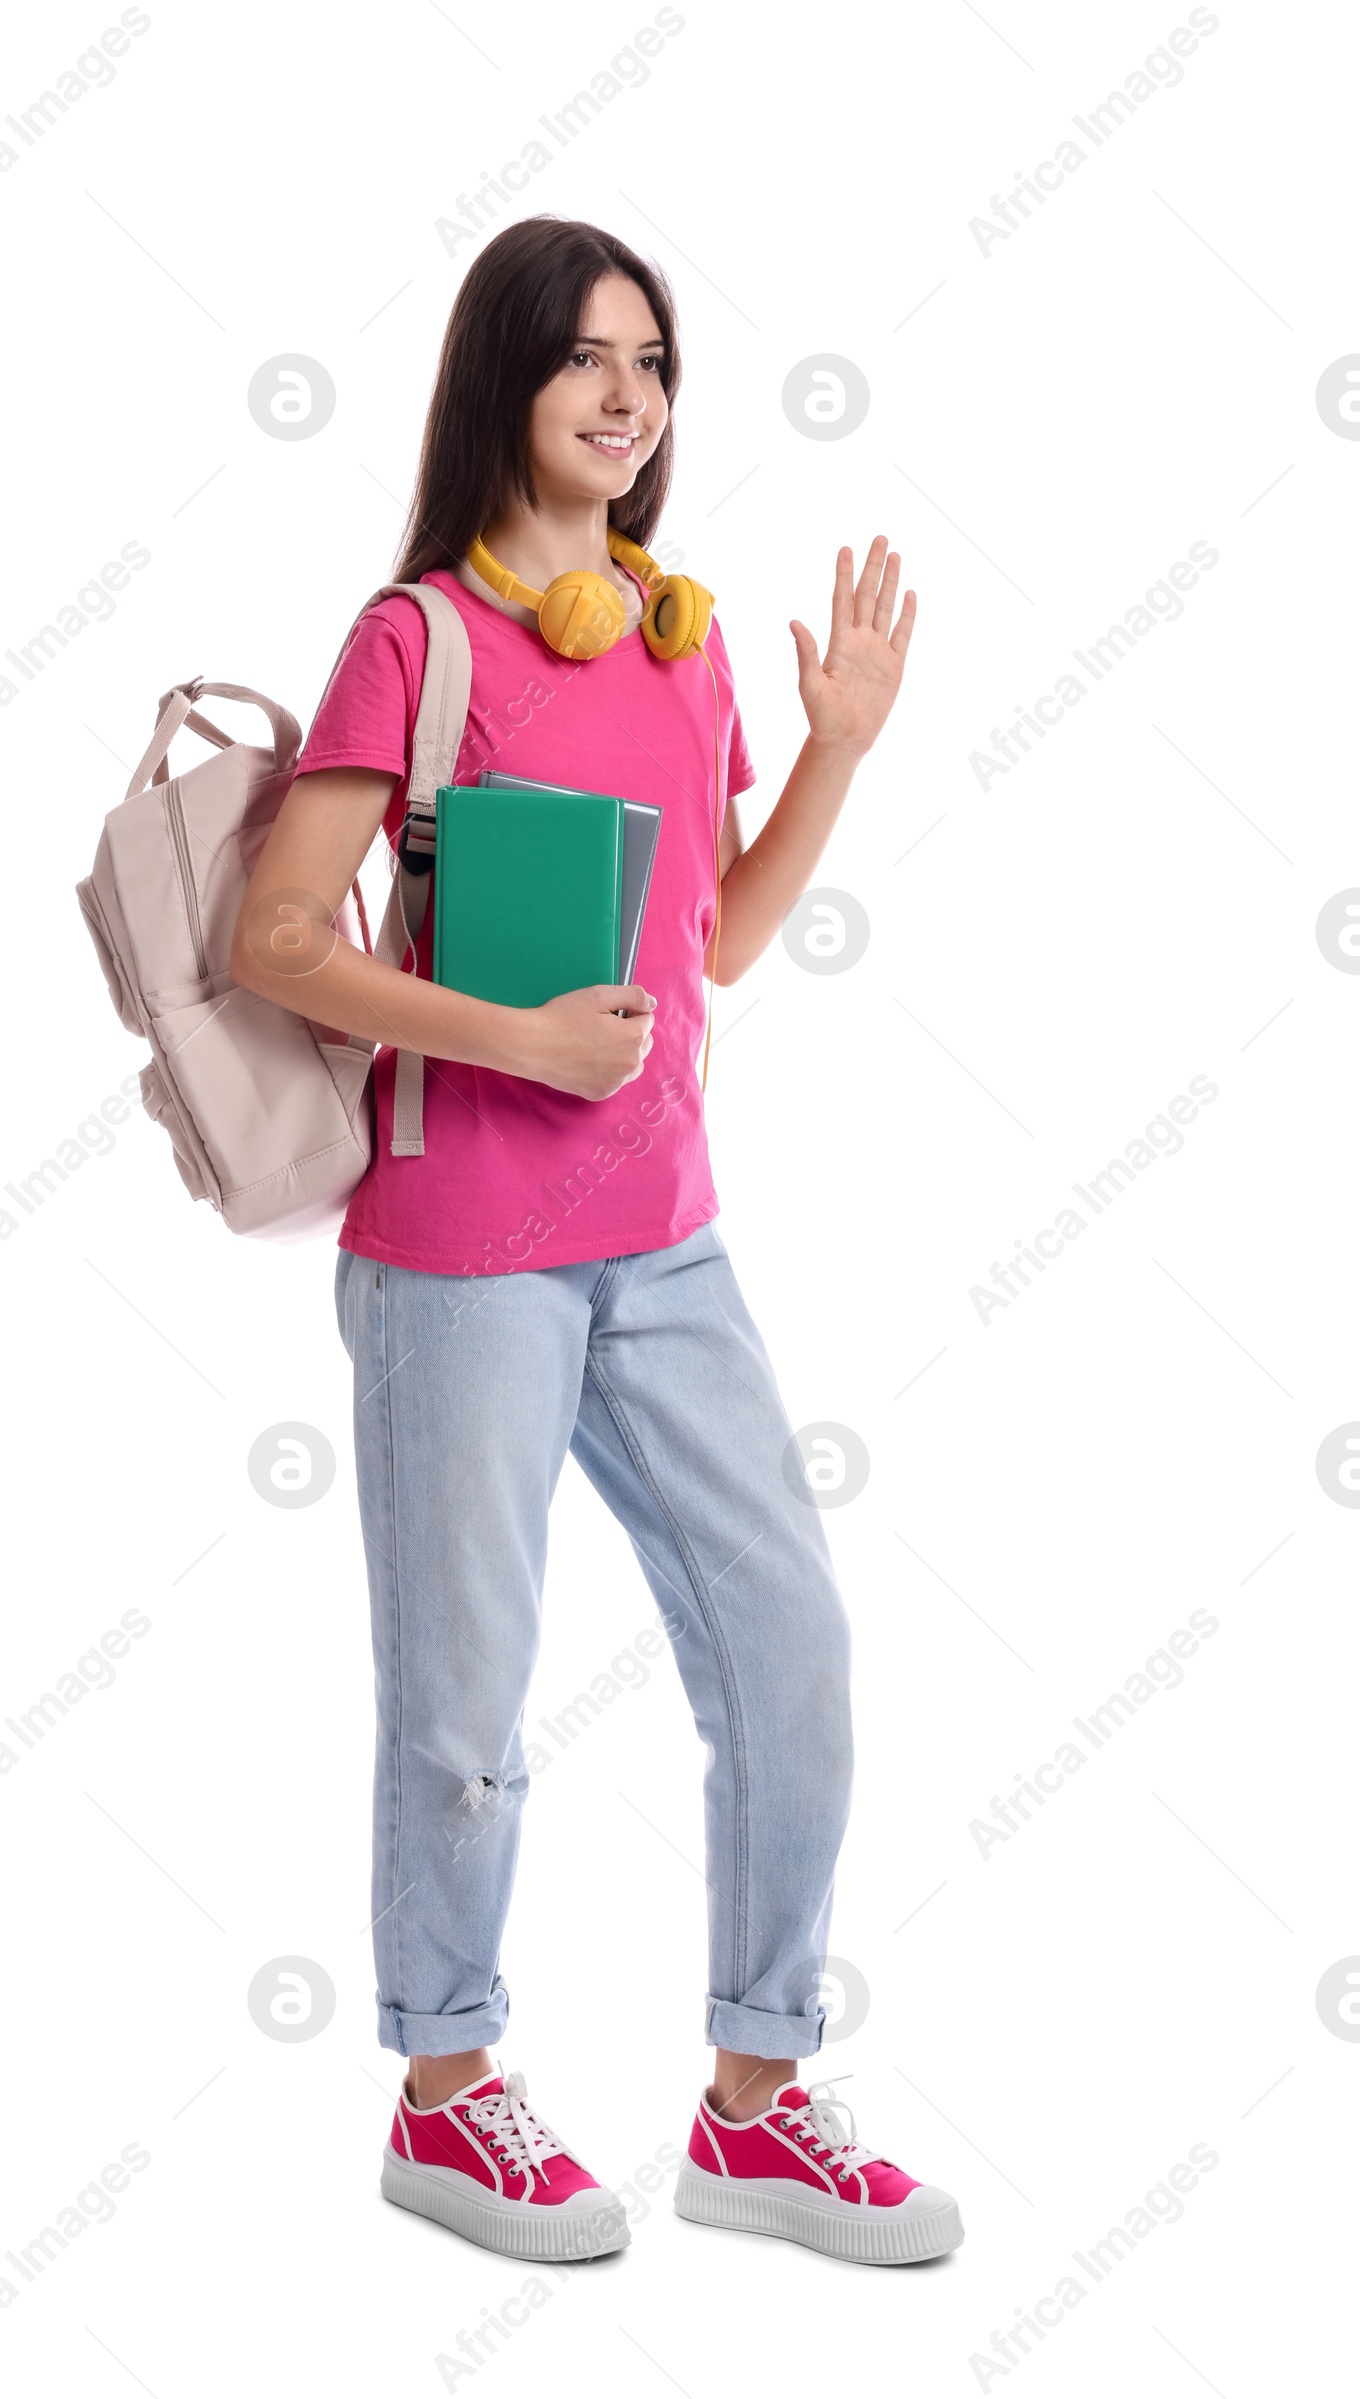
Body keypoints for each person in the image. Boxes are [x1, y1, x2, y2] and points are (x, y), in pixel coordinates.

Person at [230, 216, 961, 2268]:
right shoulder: (418, 638)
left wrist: (834, 741)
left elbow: (706, 937)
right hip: (459, 1247)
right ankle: (447, 2095)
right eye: (582, 358)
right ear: (504, 384)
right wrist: (509, 1038)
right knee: (464, 1706)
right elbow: (273, 938)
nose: (624, 395)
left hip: (664, 1240)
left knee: (789, 1638)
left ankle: (752, 2099)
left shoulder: (674, 633)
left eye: (649, 361)